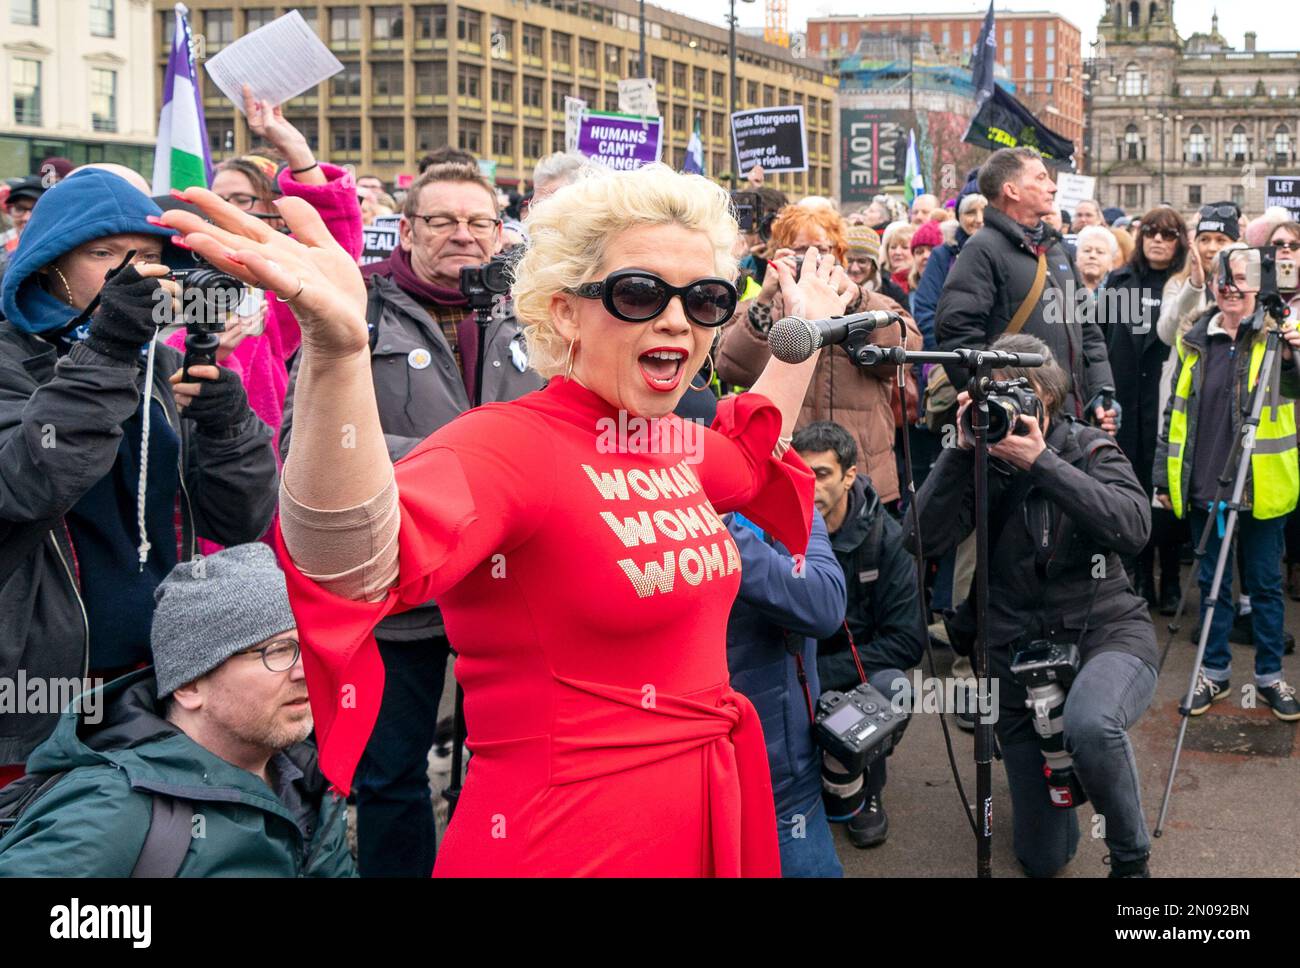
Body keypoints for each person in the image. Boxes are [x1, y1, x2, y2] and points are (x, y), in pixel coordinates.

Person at [161, 161, 853, 876]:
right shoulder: (508, 445)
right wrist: (338, 354)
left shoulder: (668, 439)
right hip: (563, 840)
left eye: (704, 298)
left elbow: (749, 451)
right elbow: (351, 561)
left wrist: (805, 331)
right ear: (563, 310)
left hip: (705, 811)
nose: (677, 318)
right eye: (641, 292)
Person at [278, 159, 541, 878]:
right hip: (401, 591)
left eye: (479, 221)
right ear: (409, 226)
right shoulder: (355, 308)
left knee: (508, 766)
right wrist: (458, 456)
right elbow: (303, 438)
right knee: (391, 776)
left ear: (500, 229)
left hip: (510, 586)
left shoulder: (536, 312)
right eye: (443, 221)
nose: (464, 235)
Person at [0, 168, 278, 788]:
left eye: (149, 257)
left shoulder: (157, 361)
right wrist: (109, 346)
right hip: (33, 687)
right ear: (48, 265)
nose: (132, 271)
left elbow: (240, 521)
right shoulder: (12, 359)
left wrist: (228, 429)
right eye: (103, 254)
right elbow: (31, 481)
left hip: (152, 675)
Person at [915, 333, 1159, 878]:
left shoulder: (1090, 448)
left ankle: (1130, 857)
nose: (1004, 411)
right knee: (1044, 859)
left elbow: (1134, 527)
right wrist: (958, 452)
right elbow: (920, 541)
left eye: (1017, 397)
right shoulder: (979, 458)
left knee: (1092, 725)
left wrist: (1042, 462)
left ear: (1047, 402)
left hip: (1103, 631)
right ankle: (1059, 771)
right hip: (1012, 648)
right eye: (993, 397)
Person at [0, 544, 356, 877]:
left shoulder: (312, 785)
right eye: (277, 650)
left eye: (306, 646)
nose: (304, 670)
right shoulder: (113, 809)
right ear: (189, 686)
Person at [169, 88, 363, 444]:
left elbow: (333, 255)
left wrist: (297, 151)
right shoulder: (172, 275)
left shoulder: (271, 301)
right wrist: (192, 347)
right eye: (215, 200)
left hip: (252, 478)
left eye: (241, 200)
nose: (221, 212)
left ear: (275, 216)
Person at [1154, 248, 1300, 722]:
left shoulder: (1276, 339)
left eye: (1240, 279)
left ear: (1260, 287)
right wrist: (1162, 476)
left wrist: (1294, 352)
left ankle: (1270, 676)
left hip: (1262, 488)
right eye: (1223, 280)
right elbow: (1173, 415)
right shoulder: (1195, 340)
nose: (1230, 288)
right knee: (1211, 584)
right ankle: (1212, 673)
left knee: (1264, 585)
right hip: (1207, 487)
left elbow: (1296, 388)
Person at [717, 203, 923, 507]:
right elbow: (731, 367)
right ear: (780, 254)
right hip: (786, 466)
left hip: (860, 471)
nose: (811, 260)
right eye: (800, 251)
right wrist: (766, 297)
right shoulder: (761, 306)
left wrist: (853, 303)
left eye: (822, 250)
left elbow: (905, 351)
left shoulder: (873, 303)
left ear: (838, 254)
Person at [794, 421, 923, 849]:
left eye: (822, 474)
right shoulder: (779, 528)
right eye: (801, 471)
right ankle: (807, 785)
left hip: (853, 674)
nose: (809, 484)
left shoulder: (886, 538)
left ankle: (866, 787)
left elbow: (908, 640)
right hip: (795, 669)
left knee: (895, 686)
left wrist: (823, 675)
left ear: (850, 475)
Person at [936, 147, 1118, 430]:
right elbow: (957, 335)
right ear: (1012, 190)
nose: (1053, 187)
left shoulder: (1057, 250)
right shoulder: (981, 250)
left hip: (1070, 418)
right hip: (1018, 421)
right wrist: (997, 404)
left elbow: (1088, 330)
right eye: (1042, 177)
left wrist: (1101, 391)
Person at [724, 509, 846, 877]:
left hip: (784, 783)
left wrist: (720, 529)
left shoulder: (786, 500)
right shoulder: (635, 503)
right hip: (682, 781)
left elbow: (824, 604)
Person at [1098, 207, 1188, 614]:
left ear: (1179, 241)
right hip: (1125, 399)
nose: (1157, 240)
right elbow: (1096, 340)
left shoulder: (1185, 285)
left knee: (1167, 492)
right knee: (1129, 488)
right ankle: (1137, 574)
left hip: (1168, 402)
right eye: (1150, 232)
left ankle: (1169, 577)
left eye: (1167, 234)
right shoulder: (1119, 282)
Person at [843, 224, 907, 307]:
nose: (855, 269)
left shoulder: (893, 293)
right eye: (849, 261)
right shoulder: (831, 289)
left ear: (874, 265)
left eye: (862, 261)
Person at [1075, 225, 1119, 293]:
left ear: (1111, 260)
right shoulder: (1064, 284)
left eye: (1100, 252)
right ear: (1077, 255)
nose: (1092, 256)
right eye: (1087, 250)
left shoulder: (1119, 286)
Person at [907, 220, 943, 297]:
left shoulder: (957, 292)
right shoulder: (909, 295)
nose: (925, 256)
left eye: (932, 250)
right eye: (919, 252)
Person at [881, 221, 916, 296]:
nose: (897, 252)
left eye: (905, 247)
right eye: (893, 247)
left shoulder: (924, 281)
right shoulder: (879, 280)